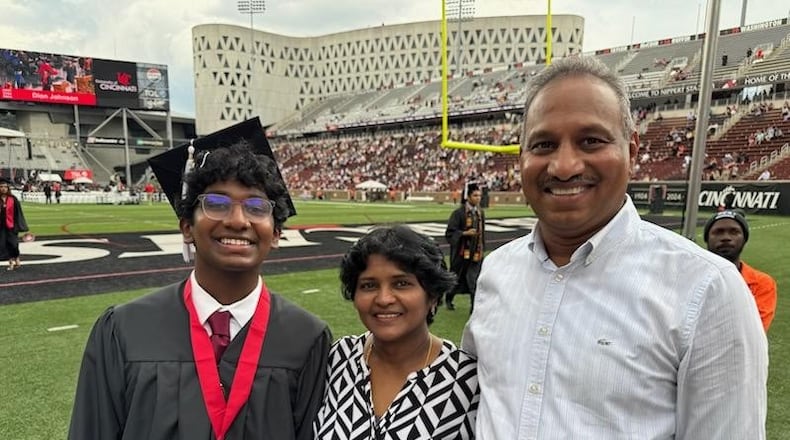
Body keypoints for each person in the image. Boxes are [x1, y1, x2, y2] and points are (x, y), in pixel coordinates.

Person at [462, 56, 767, 439]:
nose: (565, 165)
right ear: (521, 156)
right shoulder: (497, 271)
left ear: (632, 151)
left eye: (591, 140)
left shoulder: (707, 290)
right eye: (543, 144)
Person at [68, 118, 332, 440]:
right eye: (216, 204)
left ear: (276, 233)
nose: (237, 221)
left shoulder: (306, 339)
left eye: (256, 207)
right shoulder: (124, 330)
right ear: (187, 227)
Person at [314, 225, 479, 439]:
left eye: (401, 283)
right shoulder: (338, 358)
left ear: (432, 295)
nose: (384, 299)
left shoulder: (468, 379)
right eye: (368, 285)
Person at [704, 210, 777, 331]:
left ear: (744, 239)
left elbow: (754, 330)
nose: (726, 237)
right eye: (718, 232)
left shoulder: (762, 283)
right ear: (707, 238)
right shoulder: (690, 276)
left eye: (734, 232)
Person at [444, 183, 485, 312]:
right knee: (456, 279)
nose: (478, 198)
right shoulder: (458, 213)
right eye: (475, 195)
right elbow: (449, 233)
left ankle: (474, 309)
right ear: (468, 196)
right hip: (461, 253)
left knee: (474, 280)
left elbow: (482, 232)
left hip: (476, 253)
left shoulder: (480, 213)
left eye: (479, 195)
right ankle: (449, 298)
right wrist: (464, 233)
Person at [0, 177, 29, 270]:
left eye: (5, 187)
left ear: (8, 188)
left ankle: (17, 259)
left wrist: (18, 226)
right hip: (1, 227)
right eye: (1, 187)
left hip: (12, 226)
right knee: (4, 245)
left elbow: (18, 213)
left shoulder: (13, 199)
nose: (3, 188)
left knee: (14, 244)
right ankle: (11, 263)